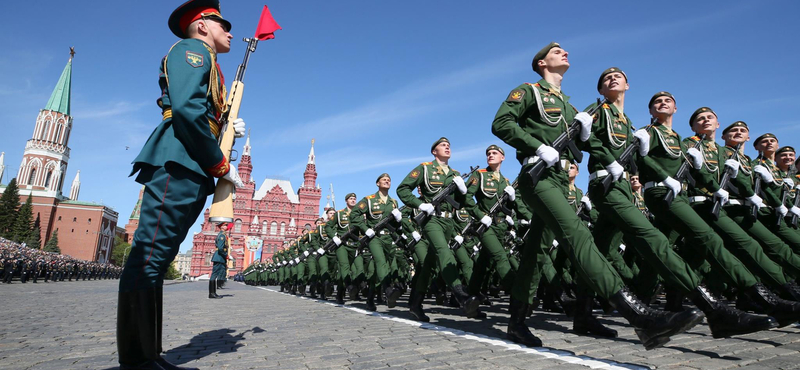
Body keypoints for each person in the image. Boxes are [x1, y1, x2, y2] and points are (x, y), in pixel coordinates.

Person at [491, 42, 703, 349]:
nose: (564, 53)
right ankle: (639, 316)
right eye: (556, 52)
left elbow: (594, 144)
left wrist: (594, 137)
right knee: (579, 236)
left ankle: (517, 321)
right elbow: (501, 123)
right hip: (537, 175)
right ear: (541, 63)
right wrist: (536, 146)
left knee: (535, 251)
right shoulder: (529, 92)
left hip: (561, 180)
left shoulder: (569, 106)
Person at [116, 1, 245, 369]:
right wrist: (220, 164)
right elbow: (188, 111)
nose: (230, 31)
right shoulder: (192, 51)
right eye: (224, 24)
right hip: (180, 159)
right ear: (202, 25)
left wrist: (225, 130)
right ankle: (138, 360)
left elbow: (199, 111)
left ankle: (147, 355)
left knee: (158, 258)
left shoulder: (209, 61)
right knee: (149, 256)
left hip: (191, 163)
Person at [396, 137, 481, 322]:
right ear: (434, 151)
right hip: (431, 219)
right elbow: (402, 189)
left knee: (429, 265)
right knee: (445, 252)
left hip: (448, 222)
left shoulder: (455, 174)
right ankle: (461, 295)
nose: (447, 147)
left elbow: (460, 204)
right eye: (443, 145)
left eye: (449, 145)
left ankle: (415, 304)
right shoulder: (425, 168)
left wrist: (463, 191)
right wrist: (420, 204)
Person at [349, 173, 404, 311]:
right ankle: (388, 291)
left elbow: (396, 225)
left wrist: (399, 221)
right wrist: (365, 228)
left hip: (389, 238)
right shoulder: (369, 200)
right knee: (380, 262)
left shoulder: (394, 202)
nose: (387, 181)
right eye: (383, 180)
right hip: (375, 237)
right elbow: (354, 214)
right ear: (377, 183)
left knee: (386, 267)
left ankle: (370, 299)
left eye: (389, 180)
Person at [210, 222, 232, 299]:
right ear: (221, 227)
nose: (227, 227)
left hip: (219, 257)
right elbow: (220, 248)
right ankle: (212, 293)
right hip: (219, 257)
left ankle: (213, 293)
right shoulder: (222, 236)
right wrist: (226, 255)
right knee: (214, 275)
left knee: (215, 275)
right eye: (225, 225)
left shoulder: (222, 235)